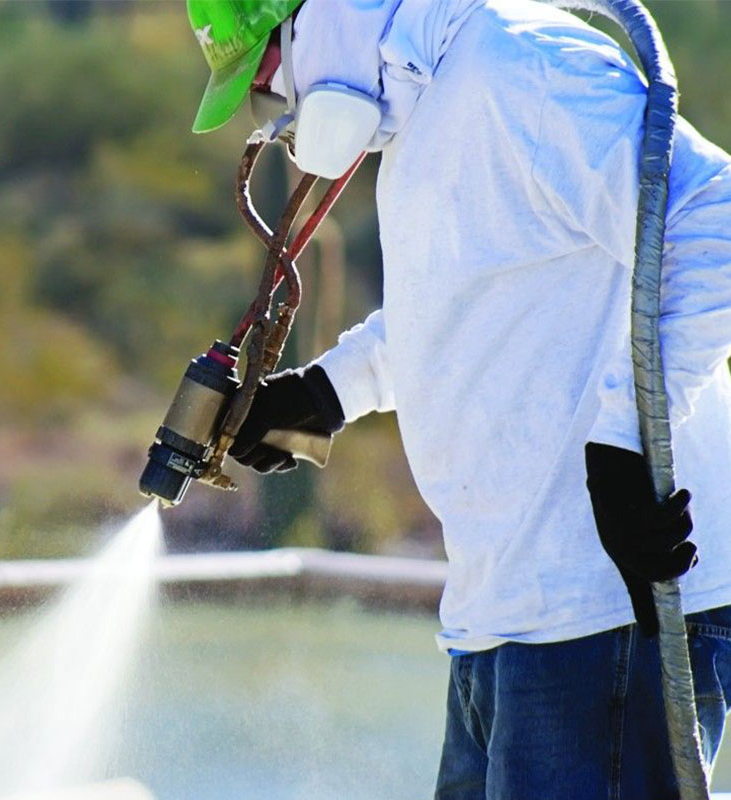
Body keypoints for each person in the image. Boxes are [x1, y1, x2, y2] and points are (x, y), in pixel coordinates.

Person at [186, 0, 731, 796]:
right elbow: (468, 299)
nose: (283, 109)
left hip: (602, 605)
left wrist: (624, 443)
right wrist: (326, 392)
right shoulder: (431, 113)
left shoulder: (520, 65)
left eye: (268, 78)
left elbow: (713, 220)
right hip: (504, 609)